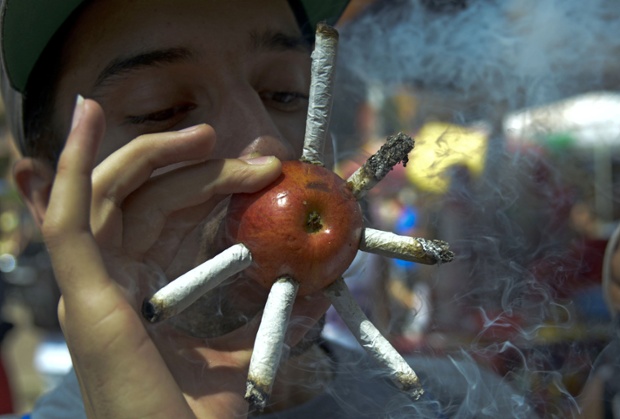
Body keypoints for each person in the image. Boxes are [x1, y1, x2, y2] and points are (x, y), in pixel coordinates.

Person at [0, 0, 536, 417]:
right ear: (49, 202)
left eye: (285, 94)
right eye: (161, 109)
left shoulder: (464, 407)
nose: (269, 150)